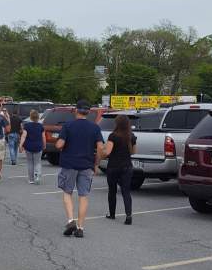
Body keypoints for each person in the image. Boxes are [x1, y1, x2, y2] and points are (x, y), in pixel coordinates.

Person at [55, 100, 104, 238]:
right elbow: (100, 148)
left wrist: (60, 142)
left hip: (69, 164)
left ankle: (71, 221)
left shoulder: (68, 126)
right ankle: (81, 228)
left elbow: (59, 145)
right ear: (88, 112)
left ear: (76, 111)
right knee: (83, 196)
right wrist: (96, 164)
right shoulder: (95, 128)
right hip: (87, 165)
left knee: (67, 192)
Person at [103, 113, 137, 225]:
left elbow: (107, 152)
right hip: (127, 166)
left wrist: (102, 150)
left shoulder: (113, 136)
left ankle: (112, 214)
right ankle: (129, 216)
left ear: (117, 123)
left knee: (112, 191)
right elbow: (133, 152)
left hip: (113, 166)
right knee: (126, 191)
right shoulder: (131, 136)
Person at [19, 110, 46, 183]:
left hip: (28, 146)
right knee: (37, 162)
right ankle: (37, 177)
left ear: (30, 118)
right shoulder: (41, 126)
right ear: (38, 117)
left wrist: (21, 145)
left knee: (30, 163)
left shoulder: (27, 126)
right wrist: (44, 145)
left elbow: (23, 136)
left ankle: (31, 179)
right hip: (38, 146)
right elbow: (43, 137)